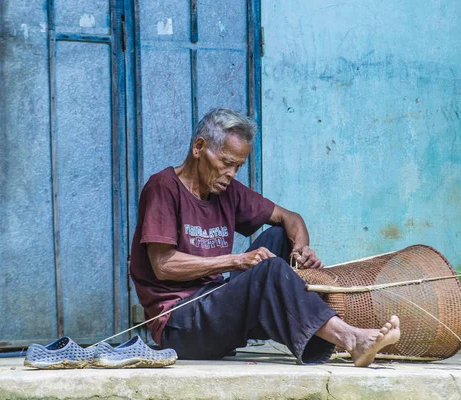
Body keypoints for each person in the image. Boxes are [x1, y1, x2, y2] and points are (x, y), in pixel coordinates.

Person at [130, 108, 400, 367]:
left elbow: (291, 218)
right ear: (199, 148)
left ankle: (326, 333)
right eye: (225, 162)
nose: (231, 174)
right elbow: (163, 265)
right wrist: (237, 261)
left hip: (216, 305)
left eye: (238, 166)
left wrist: (301, 249)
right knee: (267, 269)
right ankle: (351, 338)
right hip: (179, 325)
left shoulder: (228, 191)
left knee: (279, 237)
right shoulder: (163, 187)